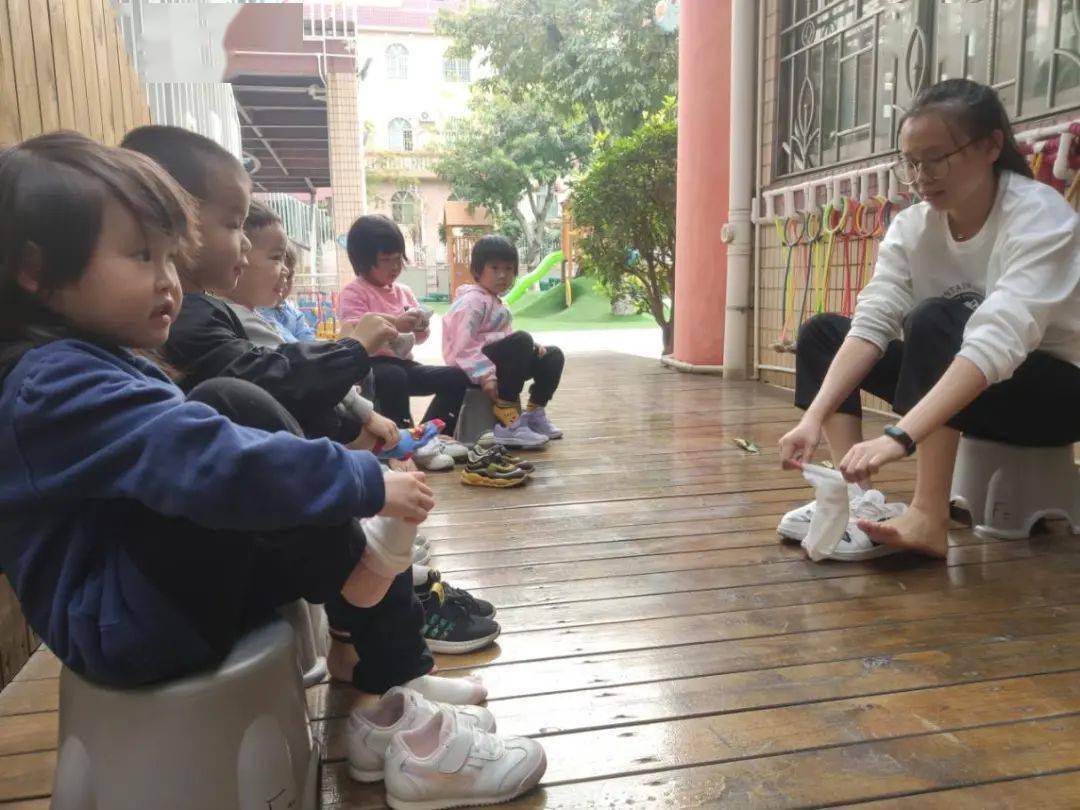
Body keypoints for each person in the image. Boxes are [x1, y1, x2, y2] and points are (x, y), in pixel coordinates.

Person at [0, 132, 436, 690]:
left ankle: (375, 635)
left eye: (169, 257)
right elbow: (204, 456)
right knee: (230, 404)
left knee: (233, 414)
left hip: (140, 601)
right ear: (36, 270)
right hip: (124, 627)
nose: (168, 280)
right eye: (141, 256)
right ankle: (370, 606)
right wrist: (364, 481)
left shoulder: (83, 362)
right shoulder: (54, 383)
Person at [121, 125, 487, 702]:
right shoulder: (188, 322)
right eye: (235, 225)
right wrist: (353, 367)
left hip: (182, 559)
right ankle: (393, 662)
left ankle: (376, 646)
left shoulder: (195, 319)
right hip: (152, 601)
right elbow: (261, 387)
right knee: (250, 417)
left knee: (340, 489)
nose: (244, 247)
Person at [778, 79, 1080, 561]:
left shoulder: (1039, 217)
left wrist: (901, 435)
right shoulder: (913, 227)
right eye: (911, 163)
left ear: (990, 147)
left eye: (935, 159)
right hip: (976, 386)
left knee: (940, 319)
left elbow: (996, 339)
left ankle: (928, 516)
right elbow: (873, 321)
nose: (920, 176)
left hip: (1056, 397)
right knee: (824, 333)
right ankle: (854, 499)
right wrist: (812, 419)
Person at [339, 215, 469, 439]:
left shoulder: (404, 292)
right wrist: (396, 323)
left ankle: (430, 435)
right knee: (393, 376)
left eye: (399, 258)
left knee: (456, 377)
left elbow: (417, 339)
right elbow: (355, 331)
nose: (396, 266)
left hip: (403, 364)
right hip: (370, 369)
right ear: (364, 261)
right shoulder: (354, 292)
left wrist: (420, 327)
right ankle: (398, 439)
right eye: (387, 259)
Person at [442, 235, 564, 448]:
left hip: (499, 363)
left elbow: (504, 337)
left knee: (552, 355)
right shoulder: (472, 302)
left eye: (509, 269)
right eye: (495, 268)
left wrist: (530, 348)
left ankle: (534, 412)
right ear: (478, 271)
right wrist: (485, 376)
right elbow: (463, 347)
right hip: (472, 367)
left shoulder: (497, 302)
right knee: (523, 339)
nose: (503, 275)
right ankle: (508, 416)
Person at [260, 241, 318, 343]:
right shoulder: (257, 312)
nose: (284, 281)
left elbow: (310, 344)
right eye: (278, 275)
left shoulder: (294, 314)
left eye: (289, 276)